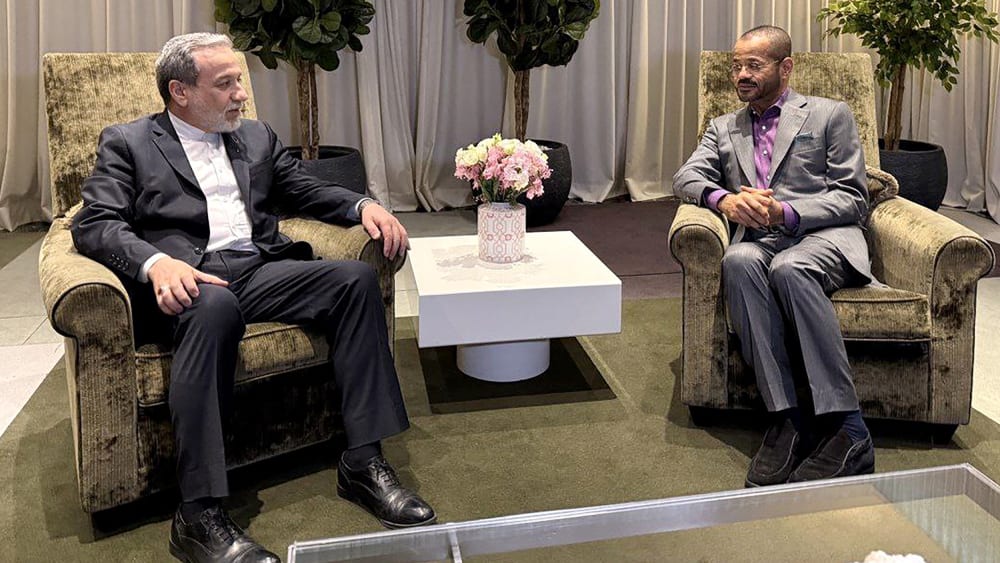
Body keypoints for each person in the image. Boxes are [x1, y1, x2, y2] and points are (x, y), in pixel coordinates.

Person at [71, 33, 435, 563]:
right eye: (226, 84)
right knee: (214, 307)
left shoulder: (256, 136)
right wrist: (156, 263)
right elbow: (95, 222)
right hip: (189, 281)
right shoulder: (129, 143)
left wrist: (362, 206)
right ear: (180, 92)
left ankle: (362, 461)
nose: (241, 93)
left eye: (239, 80)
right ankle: (197, 514)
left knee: (354, 282)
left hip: (258, 269)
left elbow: (304, 189)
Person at [672, 25, 876, 488]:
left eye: (753, 65)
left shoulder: (829, 114)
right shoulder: (723, 127)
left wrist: (787, 212)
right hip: (760, 241)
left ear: (785, 67)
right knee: (738, 260)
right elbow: (685, 177)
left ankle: (849, 428)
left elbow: (853, 197)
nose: (741, 75)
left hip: (824, 236)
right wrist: (724, 200)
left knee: (790, 267)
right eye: (736, 66)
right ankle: (786, 418)